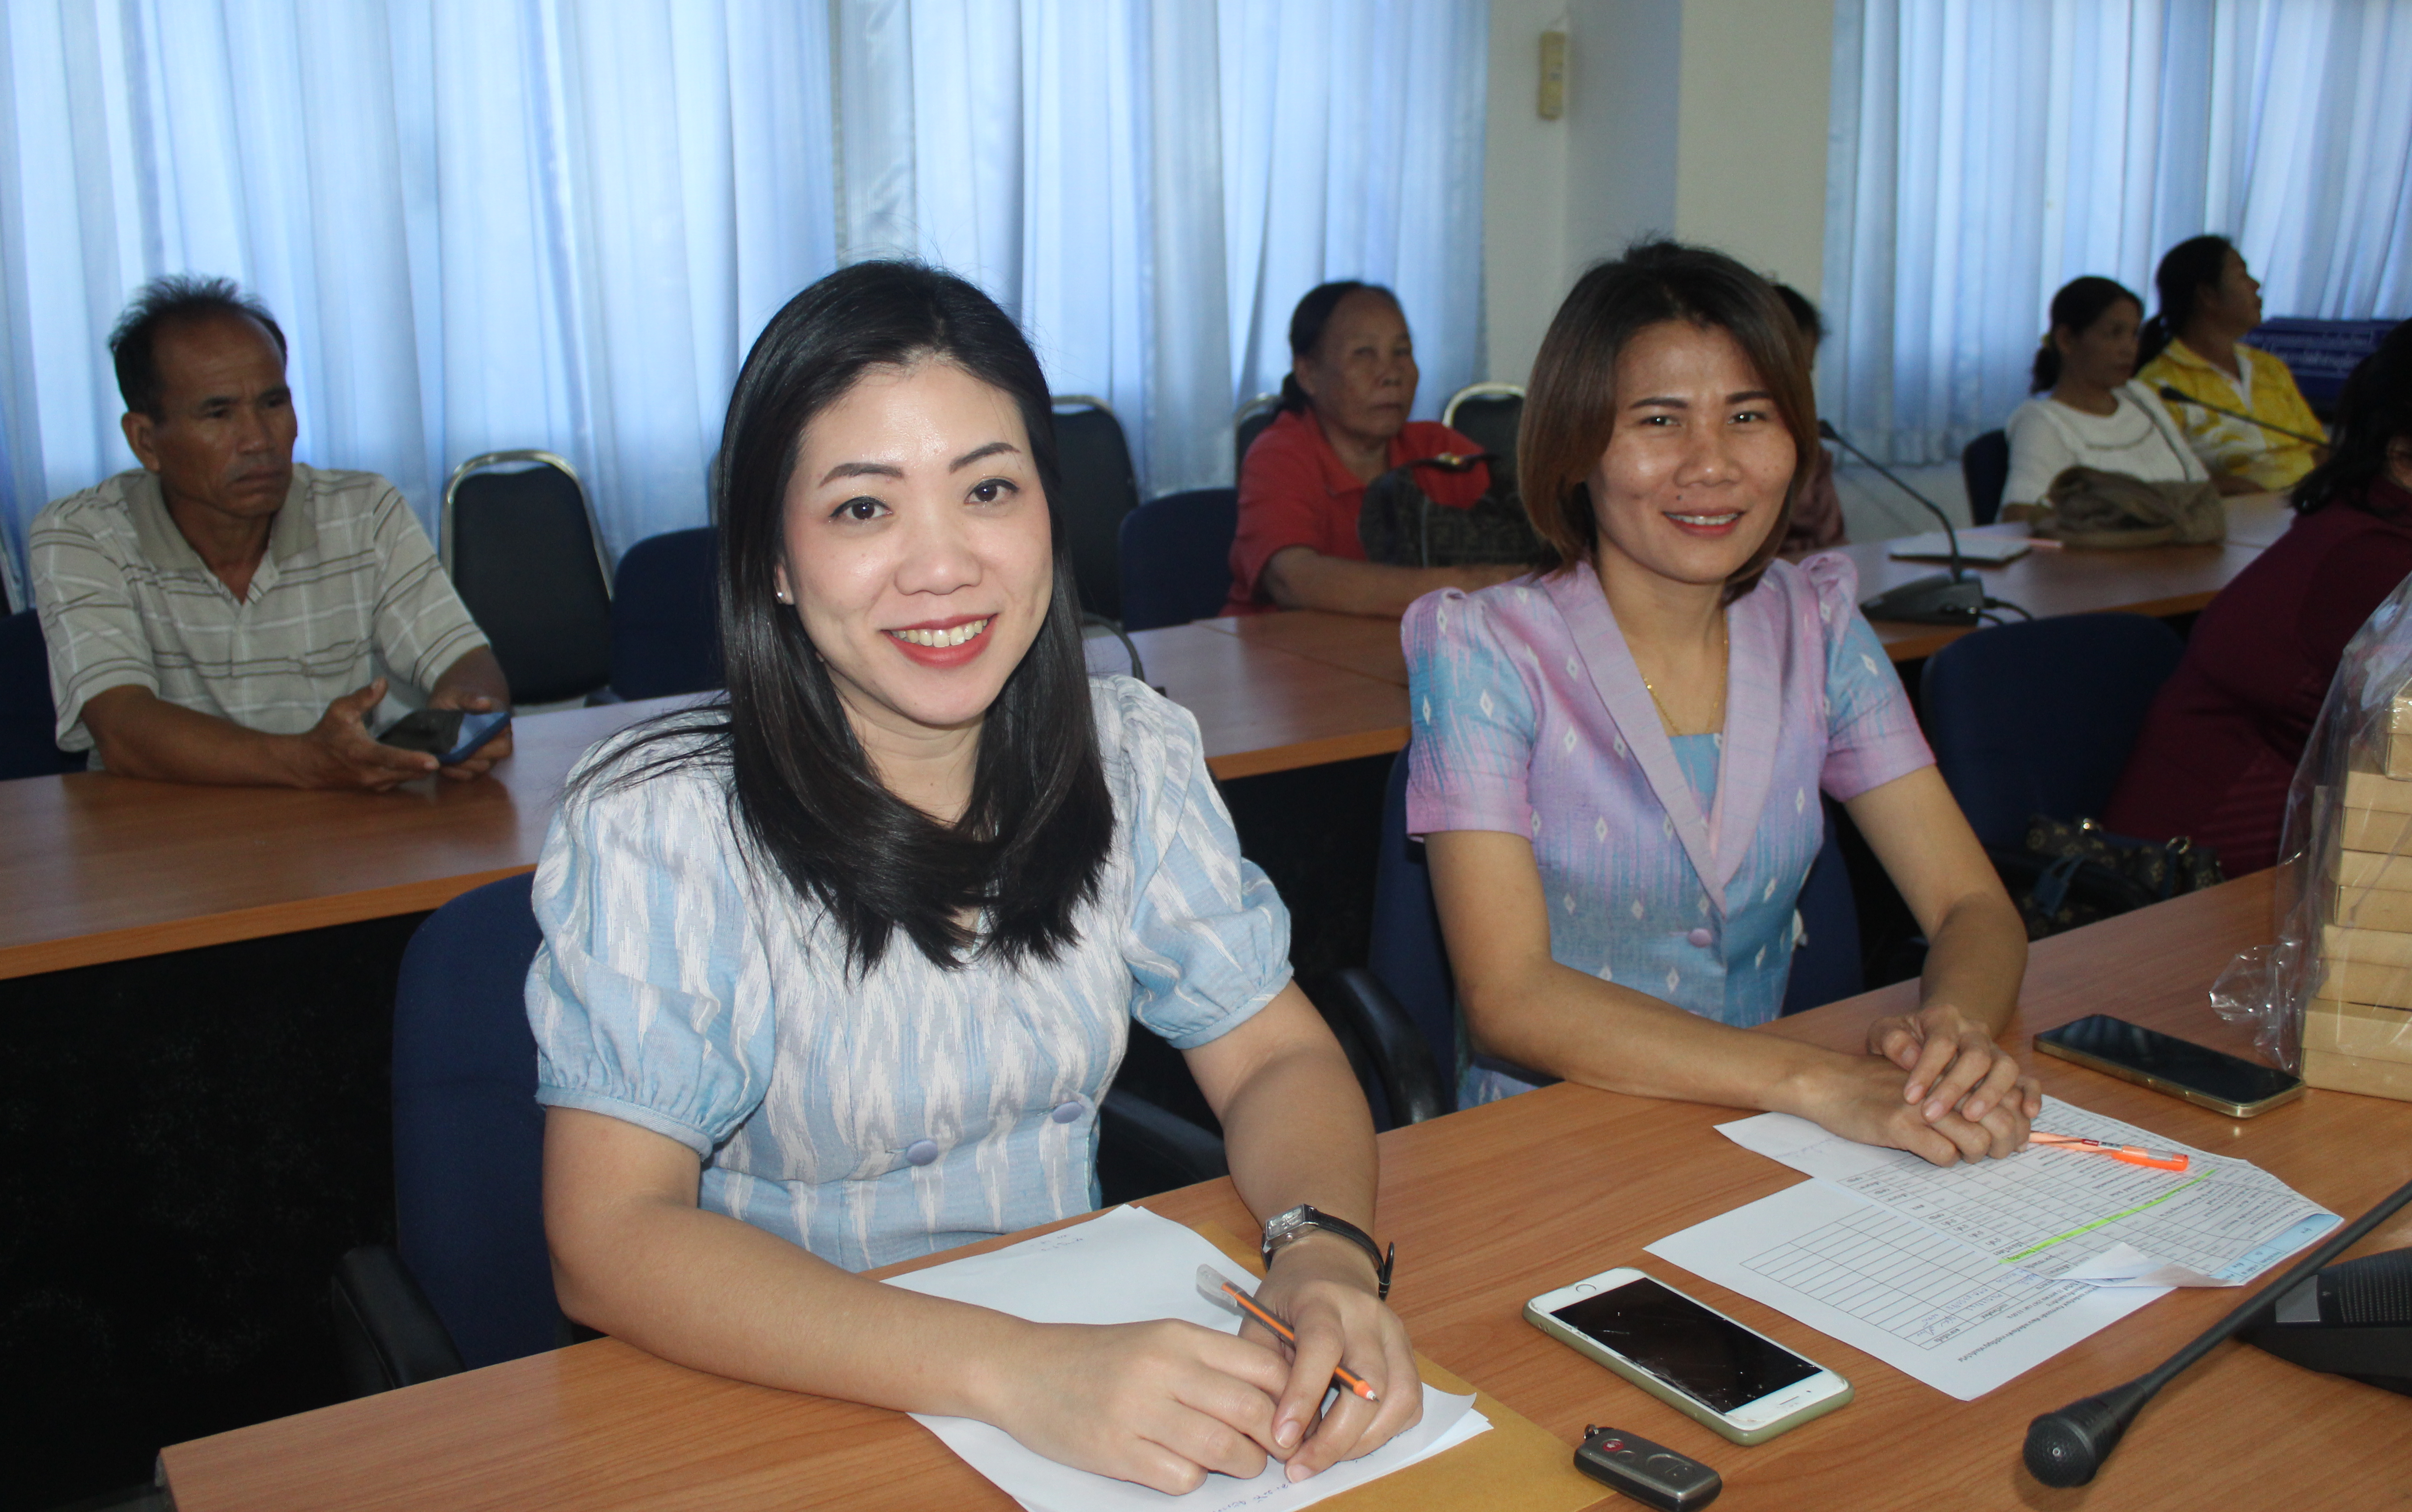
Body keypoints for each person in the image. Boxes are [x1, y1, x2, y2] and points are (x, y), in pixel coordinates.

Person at [530, 261, 1419, 1495]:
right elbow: (611, 1237)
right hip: (788, 1398)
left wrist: (1319, 1250)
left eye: (989, 490)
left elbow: (1274, 1056)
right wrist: (1017, 1372)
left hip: (1082, 1368)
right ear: (773, 560)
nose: (941, 567)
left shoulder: (1131, 759)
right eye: (861, 510)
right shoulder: (663, 829)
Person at [1402, 242, 2036, 1166]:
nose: (1713, 465)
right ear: (1577, 444)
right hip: (1552, 1144)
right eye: (1660, 421)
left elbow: (1971, 902)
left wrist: (1956, 1034)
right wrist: (1814, 1081)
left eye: (1749, 415)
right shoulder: (1485, 650)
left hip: (1766, 1140)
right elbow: (1510, 997)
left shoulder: (1817, 624)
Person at [28, 277, 510, 787]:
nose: (259, 440)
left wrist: (472, 710)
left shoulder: (362, 510)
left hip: (338, 837)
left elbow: (463, 657)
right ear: (146, 441)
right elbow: (122, 728)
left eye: (273, 404)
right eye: (218, 414)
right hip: (160, 843)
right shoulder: (80, 534)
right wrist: (308, 762)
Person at [2106, 321, 2412, 875]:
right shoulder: (2372, 558)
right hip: (2199, 890)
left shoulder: (2374, 523)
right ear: (2405, 455)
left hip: (2312, 873)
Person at [1224, 281, 1521, 616]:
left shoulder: (1437, 447)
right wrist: (1470, 583)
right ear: (1307, 374)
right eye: (1364, 354)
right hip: (1279, 655)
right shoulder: (1279, 453)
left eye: (1402, 352)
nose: (1391, 375)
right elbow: (1293, 579)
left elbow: (1532, 520)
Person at [1998, 276, 2205, 521]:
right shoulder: (2043, 422)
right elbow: (2020, 515)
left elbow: (2199, 486)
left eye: (2134, 334)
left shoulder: (2141, 398)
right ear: (2066, 340)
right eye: (2114, 334)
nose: (2129, 348)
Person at [2135, 235, 2325, 493]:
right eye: (2242, 275)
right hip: (2235, 515)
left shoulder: (2269, 367)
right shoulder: (2158, 386)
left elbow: (2319, 448)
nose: (2256, 285)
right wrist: (2230, 488)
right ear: (2208, 295)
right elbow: (2158, 483)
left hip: (2303, 501)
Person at [1769, 283, 1847, 553]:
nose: (1796, 387)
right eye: (1786, 371)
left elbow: (1835, 545)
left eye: (1805, 372)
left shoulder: (1812, 453)